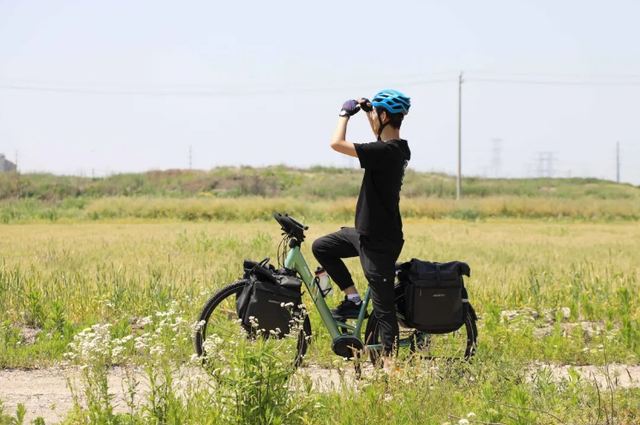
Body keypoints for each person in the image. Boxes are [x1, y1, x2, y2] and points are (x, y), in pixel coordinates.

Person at [312, 89, 411, 370]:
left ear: (383, 116)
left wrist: (345, 114)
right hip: (365, 233)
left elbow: (336, 143)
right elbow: (380, 133)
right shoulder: (398, 147)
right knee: (322, 247)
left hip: (380, 241)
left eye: (376, 115)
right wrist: (369, 111)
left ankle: (391, 365)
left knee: (383, 305)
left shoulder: (384, 152)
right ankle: (353, 299)